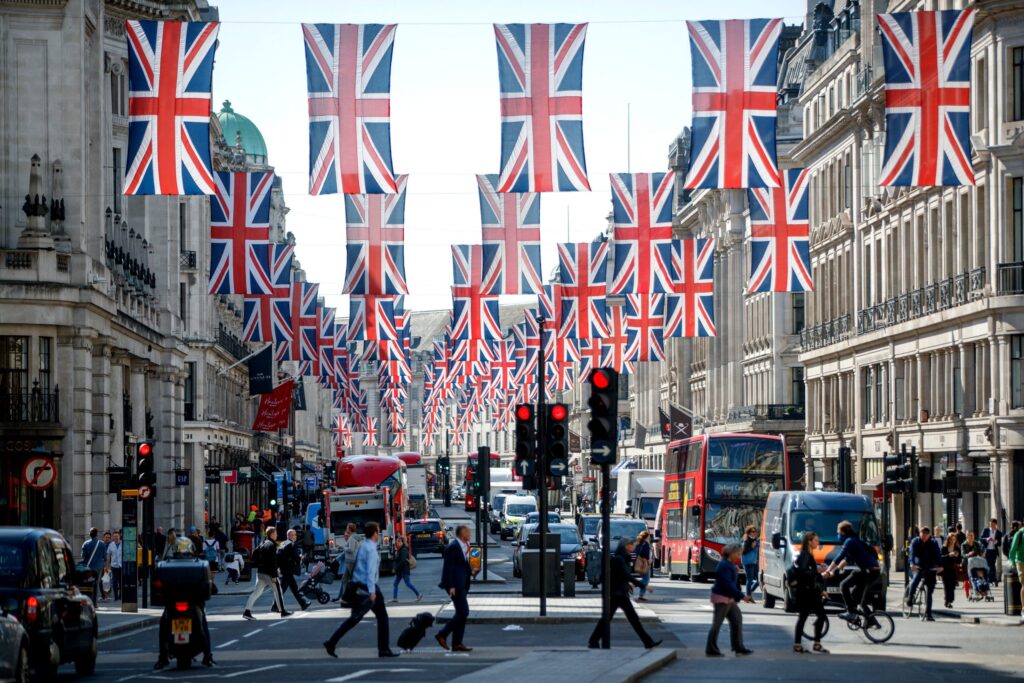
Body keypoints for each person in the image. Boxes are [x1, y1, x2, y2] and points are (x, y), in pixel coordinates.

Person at [322, 522, 398, 658]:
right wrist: (372, 591)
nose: (379, 532)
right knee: (375, 617)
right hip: (368, 587)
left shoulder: (363, 546)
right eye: (378, 530)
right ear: (375, 533)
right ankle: (383, 649)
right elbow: (370, 572)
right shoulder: (371, 549)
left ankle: (332, 642)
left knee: (358, 618)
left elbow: (358, 566)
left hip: (360, 585)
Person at [588, 538, 661, 649]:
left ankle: (593, 640)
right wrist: (644, 586)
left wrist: (627, 585)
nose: (633, 547)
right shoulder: (620, 559)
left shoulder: (622, 558)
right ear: (626, 546)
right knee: (632, 619)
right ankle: (648, 642)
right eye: (632, 545)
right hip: (619, 594)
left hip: (618, 593)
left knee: (610, 618)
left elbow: (621, 576)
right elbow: (627, 576)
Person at [823, 520, 881, 620]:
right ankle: (871, 621)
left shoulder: (849, 541)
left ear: (843, 532)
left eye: (838, 532)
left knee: (843, 585)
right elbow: (844, 561)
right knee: (857, 597)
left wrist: (828, 570)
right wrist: (833, 571)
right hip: (870, 571)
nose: (837, 535)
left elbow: (839, 557)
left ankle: (851, 612)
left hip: (869, 571)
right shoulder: (854, 541)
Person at [706, 543, 753, 657]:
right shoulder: (724, 565)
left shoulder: (728, 564)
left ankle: (739, 648)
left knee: (737, 619)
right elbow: (728, 585)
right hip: (722, 598)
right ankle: (711, 649)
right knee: (717, 624)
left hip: (728, 598)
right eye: (737, 554)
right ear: (731, 553)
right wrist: (742, 596)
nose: (739, 556)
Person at [435, 525, 476, 652]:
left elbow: (462, 564)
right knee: (464, 611)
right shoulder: (453, 547)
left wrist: (472, 571)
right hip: (455, 586)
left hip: (462, 583)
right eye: (468, 532)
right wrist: (451, 586)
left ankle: (457, 643)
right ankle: (442, 634)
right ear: (462, 534)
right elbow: (449, 567)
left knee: (461, 613)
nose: (470, 534)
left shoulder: (463, 546)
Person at [791, 531, 828, 654]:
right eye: (816, 540)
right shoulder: (805, 555)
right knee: (811, 616)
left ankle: (806, 644)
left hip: (809, 591)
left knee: (812, 616)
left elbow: (808, 572)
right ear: (809, 542)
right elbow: (803, 573)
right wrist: (818, 570)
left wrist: (820, 589)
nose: (818, 543)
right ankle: (806, 644)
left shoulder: (807, 555)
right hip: (806, 593)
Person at [243, 527, 289, 620]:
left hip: (260, 572)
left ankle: (247, 611)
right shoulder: (272, 545)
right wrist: (274, 575)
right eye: (276, 533)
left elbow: (254, 555)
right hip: (269, 573)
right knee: (278, 591)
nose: (277, 535)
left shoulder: (263, 543)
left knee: (256, 592)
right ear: (271, 534)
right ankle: (283, 611)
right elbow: (272, 561)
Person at [907, 526, 941, 621]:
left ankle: (928, 614)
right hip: (919, 566)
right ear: (920, 534)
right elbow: (912, 553)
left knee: (929, 591)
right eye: (922, 534)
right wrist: (912, 563)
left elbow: (937, 554)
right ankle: (910, 596)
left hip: (930, 567)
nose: (924, 536)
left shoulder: (933, 543)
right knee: (915, 580)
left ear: (929, 535)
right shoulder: (915, 541)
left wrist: (940, 565)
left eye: (926, 534)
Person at [277, 529, 310, 611]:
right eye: (294, 535)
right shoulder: (292, 544)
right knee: (283, 588)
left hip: (283, 568)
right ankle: (275, 605)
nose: (296, 536)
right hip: (288, 569)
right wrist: (301, 557)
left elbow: (278, 555)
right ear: (290, 536)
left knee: (294, 588)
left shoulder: (282, 543)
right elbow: (296, 556)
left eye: (295, 535)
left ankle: (303, 603)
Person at [390, 536, 422, 603]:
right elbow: (398, 560)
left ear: (402, 542)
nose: (397, 542)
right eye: (397, 541)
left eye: (399, 541)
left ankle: (418, 594)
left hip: (404, 570)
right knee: (395, 584)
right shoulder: (400, 549)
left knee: (408, 584)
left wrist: (395, 568)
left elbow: (403, 561)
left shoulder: (403, 549)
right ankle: (395, 598)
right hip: (400, 571)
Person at [80, 528, 106, 605]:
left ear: (89, 534)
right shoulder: (102, 543)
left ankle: (90, 601)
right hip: (99, 566)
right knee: (97, 583)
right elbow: (104, 556)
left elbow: (83, 556)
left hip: (89, 567)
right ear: (97, 534)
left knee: (88, 584)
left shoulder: (85, 543)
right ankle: (95, 603)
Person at [334, 523, 360, 602]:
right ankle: (345, 597)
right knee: (344, 579)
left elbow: (351, 549)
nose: (346, 529)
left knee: (352, 580)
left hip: (351, 561)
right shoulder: (354, 537)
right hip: (350, 561)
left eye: (347, 528)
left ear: (350, 529)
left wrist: (344, 547)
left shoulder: (352, 538)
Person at [1008, 522, 1024, 624]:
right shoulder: (1020, 533)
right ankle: (1023, 609)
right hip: (1021, 562)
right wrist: (1012, 562)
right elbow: (1013, 549)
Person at [980, 519, 1003, 587]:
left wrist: (995, 541)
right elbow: (981, 539)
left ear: (995, 524)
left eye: (993, 524)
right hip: (986, 550)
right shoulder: (986, 530)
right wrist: (987, 539)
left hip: (994, 551)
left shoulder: (999, 533)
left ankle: (992, 579)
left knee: (992, 565)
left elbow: (999, 543)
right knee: (988, 565)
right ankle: (991, 579)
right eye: (990, 524)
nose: (991, 526)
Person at [960, 530, 983, 599]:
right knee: (967, 578)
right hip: (966, 563)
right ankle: (967, 593)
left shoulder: (977, 543)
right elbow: (963, 554)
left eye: (972, 535)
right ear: (967, 536)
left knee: (976, 577)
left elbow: (980, 552)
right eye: (969, 535)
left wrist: (982, 554)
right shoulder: (963, 544)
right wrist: (968, 554)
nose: (971, 537)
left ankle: (976, 591)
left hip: (975, 563)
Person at [940, 534, 960, 609]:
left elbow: (959, 560)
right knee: (946, 586)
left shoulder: (957, 548)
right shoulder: (944, 548)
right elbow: (941, 558)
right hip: (945, 569)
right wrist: (949, 555)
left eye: (954, 539)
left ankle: (950, 599)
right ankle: (947, 601)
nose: (952, 541)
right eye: (951, 539)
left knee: (952, 586)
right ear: (948, 540)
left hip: (953, 569)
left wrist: (957, 556)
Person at [634, 530, 654, 602]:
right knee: (646, 579)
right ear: (646, 537)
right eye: (648, 536)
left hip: (641, 563)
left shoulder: (639, 543)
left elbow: (636, 552)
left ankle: (641, 595)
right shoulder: (645, 544)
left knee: (645, 579)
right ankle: (633, 585)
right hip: (645, 564)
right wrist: (648, 559)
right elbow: (643, 552)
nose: (649, 537)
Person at [741, 525, 760, 599]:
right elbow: (743, 552)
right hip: (748, 563)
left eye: (755, 531)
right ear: (748, 533)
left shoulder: (755, 540)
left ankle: (748, 593)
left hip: (755, 562)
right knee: (750, 580)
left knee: (759, 580)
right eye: (752, 531)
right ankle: (748, 595)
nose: (754, 533)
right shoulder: (746, 540)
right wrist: (752, 547)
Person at [105, 531, 124, 602]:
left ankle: (120, 596)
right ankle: (116, 596)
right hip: (114, 566)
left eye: (117, 536)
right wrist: (107, 566)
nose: (116, 537)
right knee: (114, 582)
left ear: (119, 536)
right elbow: (108, 555)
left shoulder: (123, 544)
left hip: (121, 566)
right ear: (113, 537)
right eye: (114, 536)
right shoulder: (111, 545)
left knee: (121, 581)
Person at [99, 531, 113, 600]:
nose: (107, 539)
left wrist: (108, 566)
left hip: (108, 565)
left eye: (109, 538)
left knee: (107, 581)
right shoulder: (100, 544)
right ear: (103, 537)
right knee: (100, 581)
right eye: (106, 537)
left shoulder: (111, 545)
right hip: (100, 565)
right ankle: (103, 595)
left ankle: (107, 595)